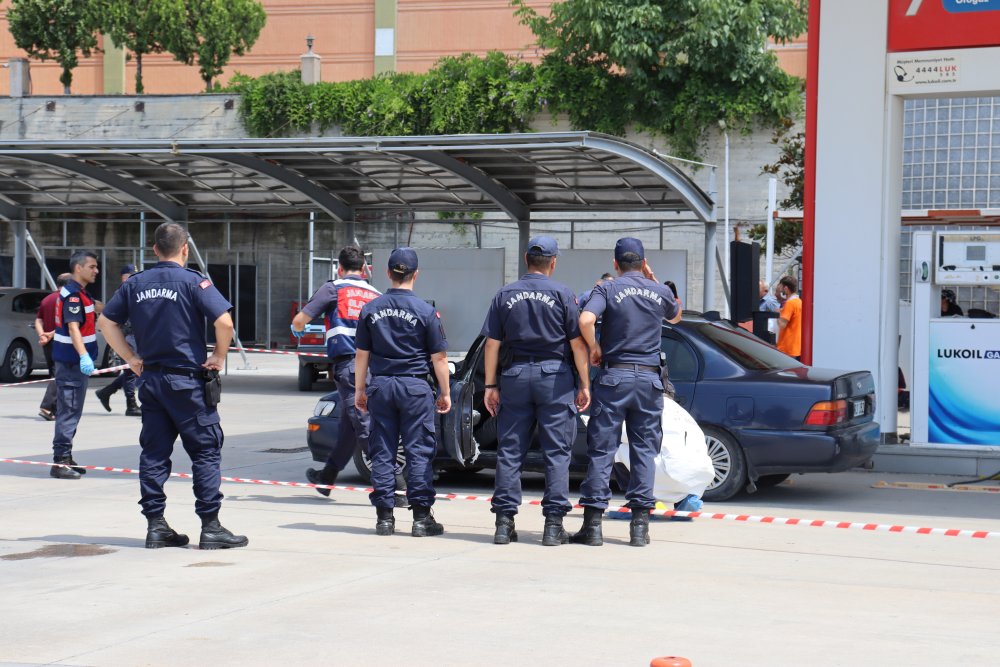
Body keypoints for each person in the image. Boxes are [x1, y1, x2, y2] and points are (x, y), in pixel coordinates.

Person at [98, 222, 247, 550]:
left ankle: (156, 526)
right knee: (205, 451)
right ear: (185, 249)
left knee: (154, 453)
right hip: (186, 382)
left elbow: (106, 322)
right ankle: (210, 527)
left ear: (154, 250)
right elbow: (224, 322)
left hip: (151, 381)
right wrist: (219, 356)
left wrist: (130, 358)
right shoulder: (194, 281)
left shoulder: (135, 283)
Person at [481, 236, 591, 546]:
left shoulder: (504, 294)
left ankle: (504, 524)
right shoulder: (563, 294)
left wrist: (490, 385)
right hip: (555, 379)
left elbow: (492, 344)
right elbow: (577, 345)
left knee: (510, 451)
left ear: (526, 259)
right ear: (553, 262)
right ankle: (553, 526)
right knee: (556, 452)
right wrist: (585, 383)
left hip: (515, 377)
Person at [575, 238, 681, 547]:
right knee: (644, 451)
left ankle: (593, 527)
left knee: (602, 450)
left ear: (615, 263)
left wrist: (595, 346)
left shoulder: (608, 289)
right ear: (644, 263)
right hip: (648, 380)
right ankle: (639, 528)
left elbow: (586, 319)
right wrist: (654, 280)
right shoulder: (658, 291)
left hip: (614, 378)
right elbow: (675, 315)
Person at [290, 246, 410, 503]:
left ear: (339, 268)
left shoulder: (333, 288)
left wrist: (297, 327)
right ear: (365, 268)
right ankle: (327, 477)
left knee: (364, 426)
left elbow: (300, 320)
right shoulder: (376, 294)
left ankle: (396, 484)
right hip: (376, 368)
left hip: (351, 367)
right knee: (349, 427)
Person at [354, 248, 451, 537]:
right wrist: (445, 392)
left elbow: (361, 354)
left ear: (388, 273)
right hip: (415, 387)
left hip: (382, 386)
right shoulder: (425, 311)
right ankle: (421, 519)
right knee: (418, 451)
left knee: (383, 451)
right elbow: (439, 358)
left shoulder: (371, 309)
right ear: (415, 274)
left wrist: (360, 389)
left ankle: (384, 518)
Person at [50, 253, 101, 480]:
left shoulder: (81, 293)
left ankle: (66, 457)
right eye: (92, 266)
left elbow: (96, 307)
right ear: (78, 268)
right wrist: (84, 356)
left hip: (73, 363)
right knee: (69, 411)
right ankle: (60, 462)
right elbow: (73, 328)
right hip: (71, 363)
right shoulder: (72, 296)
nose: (96, 271)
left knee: (73, 411)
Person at [95, 265, 141, 417]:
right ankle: (131, 405)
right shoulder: (122, 292)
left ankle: (106, 392)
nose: (134, 278)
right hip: (126, 335)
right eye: (131, 275)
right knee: (131, 371)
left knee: (133, 369)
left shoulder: (134, 290)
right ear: (124, 277)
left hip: (135, 335)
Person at [34, 273, 71, 422]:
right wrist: (50, 334)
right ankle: (47, 406)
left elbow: (38, 320)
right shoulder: (67, 299)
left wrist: (42, 335)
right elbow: (68, 324)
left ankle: (55, 409)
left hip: (48, 343)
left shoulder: (47, 299)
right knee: (59, 375)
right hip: (62, 341)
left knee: (54, 374)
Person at [776, 275, 803, 361]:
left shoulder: (790, 304)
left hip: (786, 346)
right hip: (795, 345)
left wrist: (777, 314)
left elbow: (782, 324)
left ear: (786, 288)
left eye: (781, 287)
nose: (780, 290)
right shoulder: (799, 302)